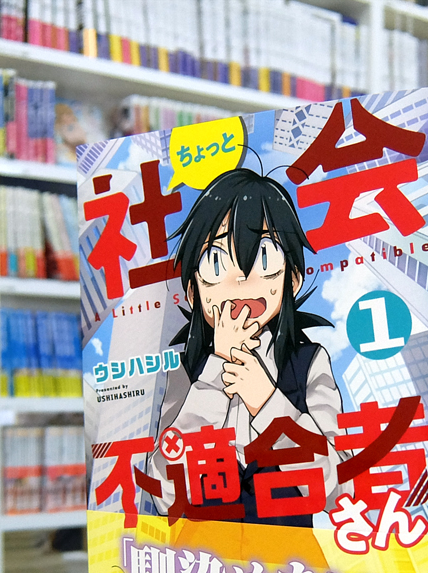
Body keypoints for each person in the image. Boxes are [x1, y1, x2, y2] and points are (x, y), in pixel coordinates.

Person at [148, 167, 350, 526]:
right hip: (204, 556)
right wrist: (214, 376)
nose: (241, 279)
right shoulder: (186, 371)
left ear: (291, 280)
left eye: (264, 258)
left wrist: (266, 401)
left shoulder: (308, 362)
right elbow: (165, 491)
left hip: (289, 558)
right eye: (215, 263)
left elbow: (338, 489)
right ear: (194, 291)